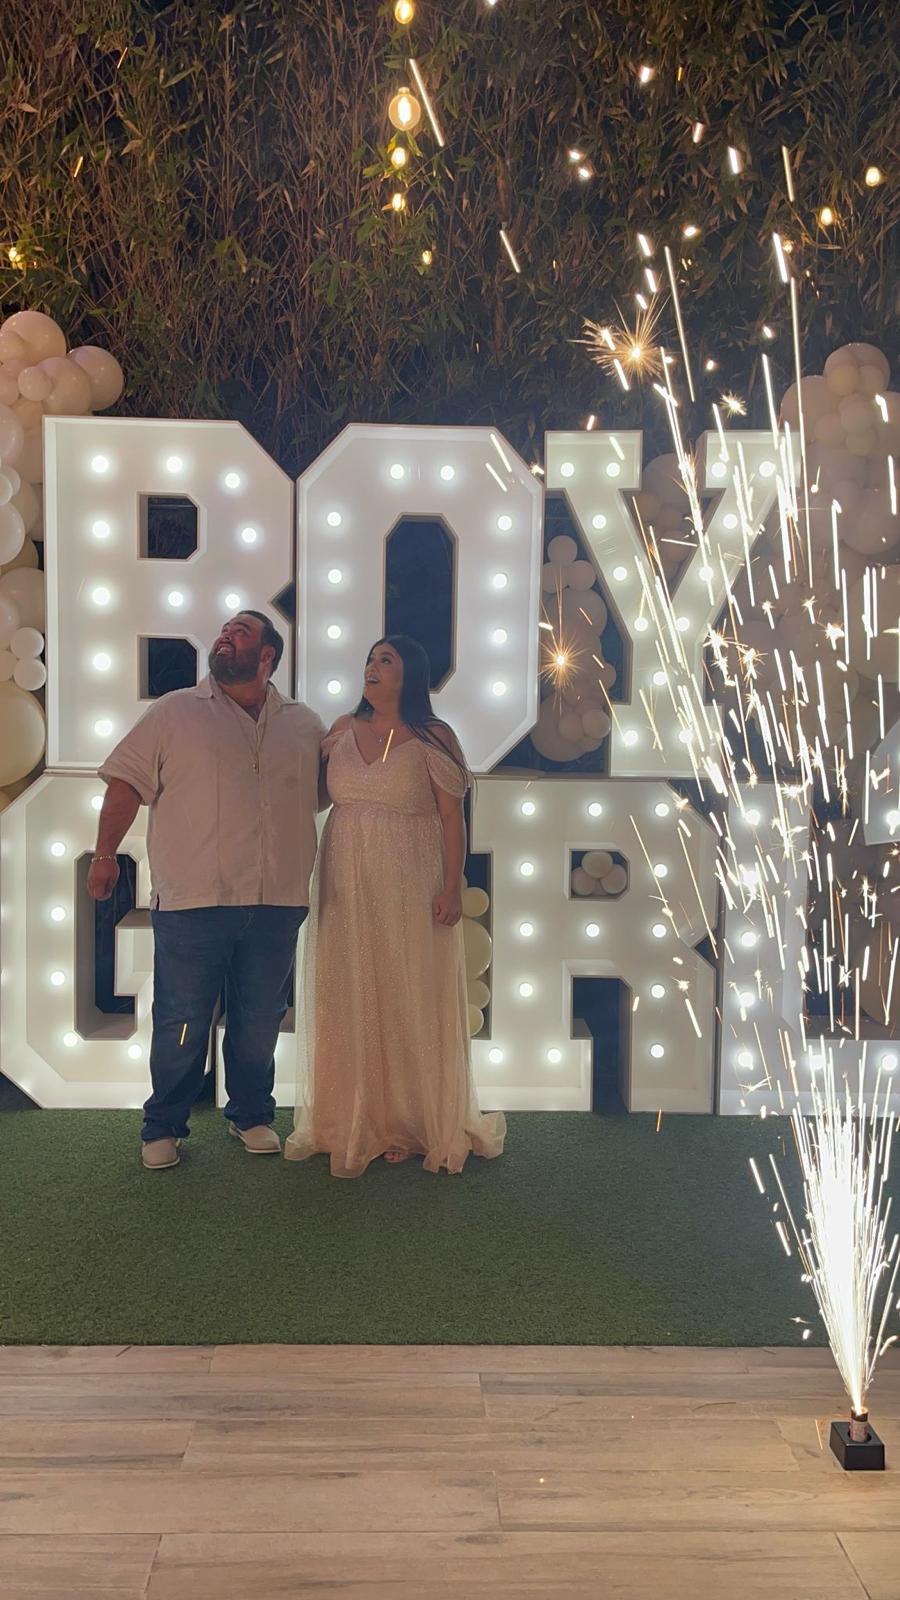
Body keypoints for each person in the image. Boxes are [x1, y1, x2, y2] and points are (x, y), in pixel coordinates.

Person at [88, 610, 325, 1171]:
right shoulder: (174, 711)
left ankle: (251, 1114)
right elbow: (126, 783)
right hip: (194, 899)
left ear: (267, 656)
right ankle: (164, 1125)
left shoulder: (305, 725)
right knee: (182, 1019)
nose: (225, 636)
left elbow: (323, 795)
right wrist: (104, 854)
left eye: (241, 632)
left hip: (277, 899)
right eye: (225, 630)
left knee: (261, 1018)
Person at [285, 634, 506, 1177]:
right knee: (350, 988)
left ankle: (409, 1120)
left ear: (411, 675)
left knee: (407, 989)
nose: (373, 666)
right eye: (371, 658)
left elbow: (452, 818)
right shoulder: (340, 730)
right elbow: (309, 796)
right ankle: (352, 1115)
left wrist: (451, 887)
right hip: (344, 879)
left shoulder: (433, 736)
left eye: (386, 660)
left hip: (410, 880)